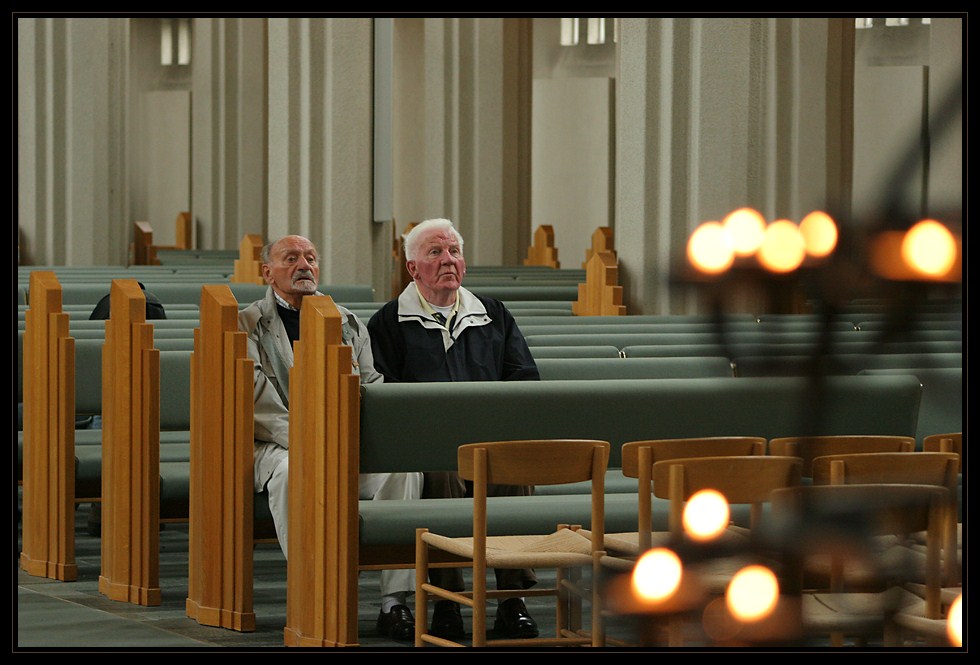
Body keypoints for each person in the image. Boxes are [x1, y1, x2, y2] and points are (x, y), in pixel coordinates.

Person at [239, 235, 423, 642]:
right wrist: (308, 439)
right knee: (292, 472)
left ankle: (395, 601)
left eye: (310, 258)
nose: (304, 265)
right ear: (267, 272)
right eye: (291, 258)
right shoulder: (247, 324)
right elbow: (257, 400)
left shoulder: (345, 319)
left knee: (403, 470)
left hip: (344, 444)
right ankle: (311, 591)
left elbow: (371, 385)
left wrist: (350, 438)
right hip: (280, 445)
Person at [367, 218, 541, 640]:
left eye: (454, 252)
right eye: (435, 253)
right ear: (413, 269)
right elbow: (384, 394)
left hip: (489, 438)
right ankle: (446, 600)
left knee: (512, 468)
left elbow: (524, 377)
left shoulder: (493, 314)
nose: (449, 261)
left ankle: (510, 598)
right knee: (441, 473)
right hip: (428, 445)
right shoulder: (389, 323)